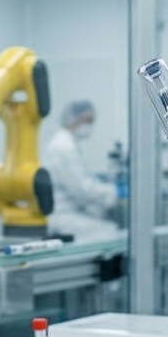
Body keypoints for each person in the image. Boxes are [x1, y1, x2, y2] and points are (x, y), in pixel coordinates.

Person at [41, 100, 120, 240]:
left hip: (68, 211)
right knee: (111, 232)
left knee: (104, 225)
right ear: (72, 118)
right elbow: (81, 188)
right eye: (87, 121)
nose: (89, 126)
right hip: (62, 215)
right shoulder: (64, 146)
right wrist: (113, 192)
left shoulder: (66, 143)